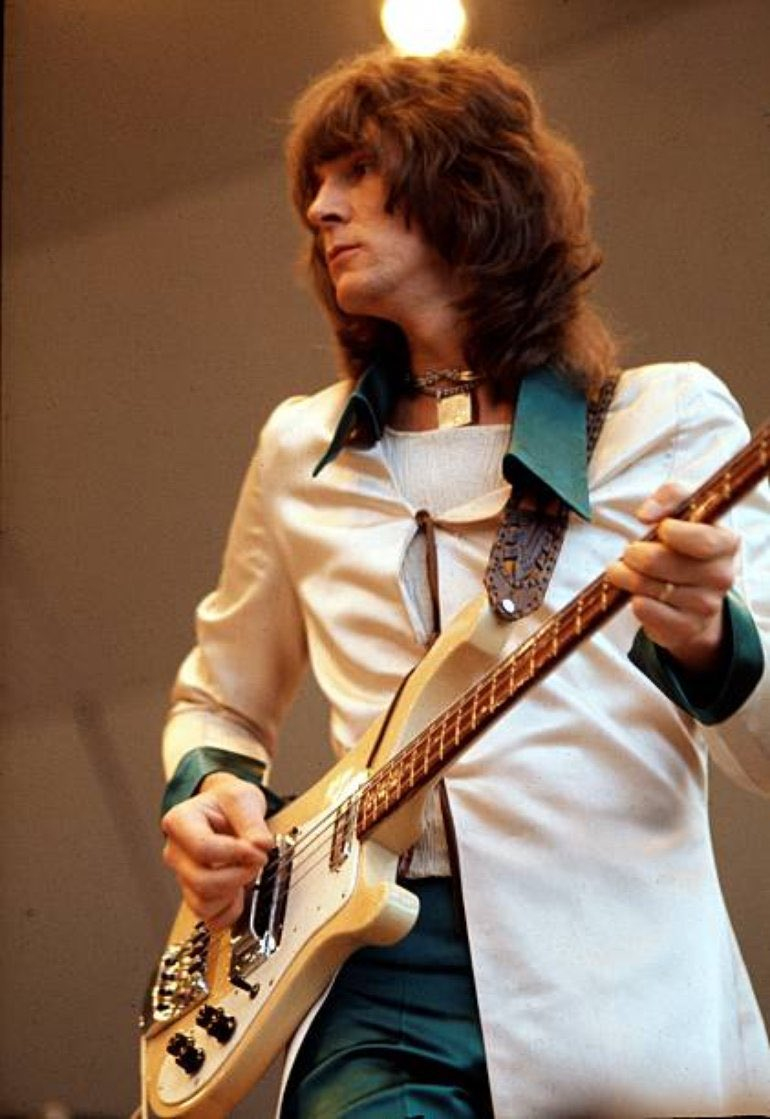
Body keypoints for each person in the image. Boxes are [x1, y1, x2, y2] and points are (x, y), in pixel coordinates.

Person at [159, 48, 770, 1117]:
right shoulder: (298, 450)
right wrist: (214, 795)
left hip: (625, 987)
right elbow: (222, 701)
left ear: (472, 190)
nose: (319, 207)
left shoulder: (664, 421)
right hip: (371, 966)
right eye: (315, 183)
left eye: (357, 171)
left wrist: (706, 639)